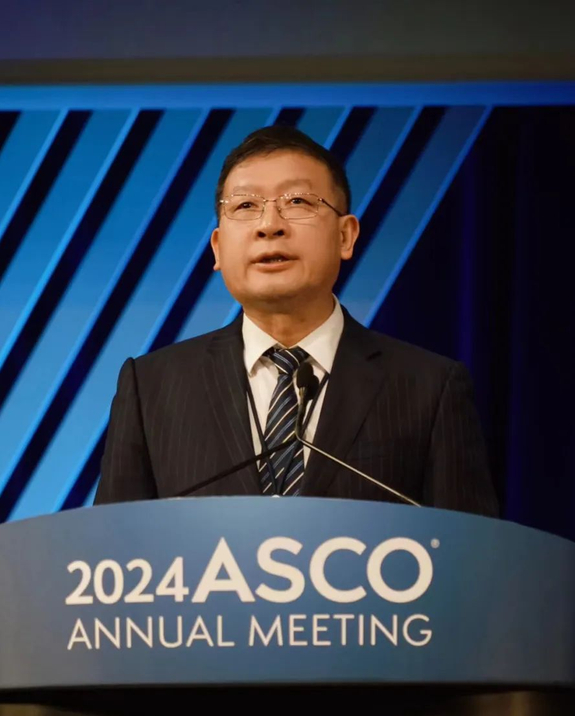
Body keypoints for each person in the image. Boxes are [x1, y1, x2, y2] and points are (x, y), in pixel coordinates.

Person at [95, 125, 498, 515]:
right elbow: (111, 547)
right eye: (245, 206)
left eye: (298, 202)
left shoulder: (429, 388)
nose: (270, 225)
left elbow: (471, 550)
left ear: (345, 236)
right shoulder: (151, 388)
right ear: (217, 248)